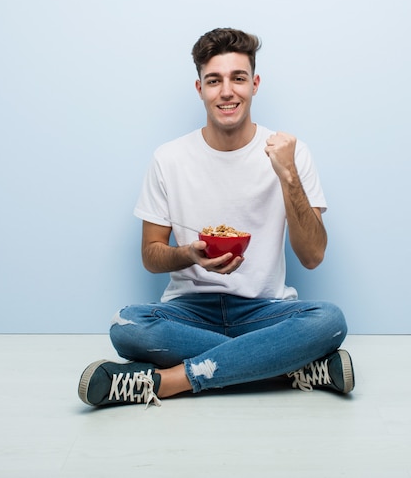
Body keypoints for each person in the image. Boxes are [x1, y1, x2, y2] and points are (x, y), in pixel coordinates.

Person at [78, 27, 354, 408]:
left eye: (238, 79)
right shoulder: (169, 158)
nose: (227, 91)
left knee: (329, 320)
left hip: (264, 309)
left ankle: (165, 382)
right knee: (127, 326)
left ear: (254, 84)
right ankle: (287, 368)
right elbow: (151, 254)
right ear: (200, 88)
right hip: (189, 311)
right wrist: (188, 254)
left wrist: (287, 175)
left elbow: (313, 256)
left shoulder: (291, 152)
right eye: (214, 80)